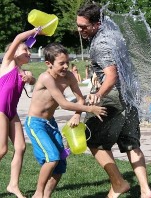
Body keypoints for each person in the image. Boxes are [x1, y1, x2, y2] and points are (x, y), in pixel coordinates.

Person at [77, 4, 151, 198]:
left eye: (84, 26)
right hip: (130, 94)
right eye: (78, 25)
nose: (79, 30)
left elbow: (111, 76)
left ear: (96, 24)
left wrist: (99, 94)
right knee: (131, 144)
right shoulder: (111, 29)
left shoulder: (101, 44)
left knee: (92, 139)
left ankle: (119, 183)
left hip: (112, 96)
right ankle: (146, 191)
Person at [24, 42, 107, 198]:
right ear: (49, 64)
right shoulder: (46, 77)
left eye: (67, 62)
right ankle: (38, 193)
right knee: (52, 158)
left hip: (51, 123)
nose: (65, 66)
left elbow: (79, 99)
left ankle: (45, 196)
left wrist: (77, 114)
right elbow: (63, 103)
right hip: (36, 123)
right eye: (61, 63)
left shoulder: (69, 76)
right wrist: (90, 109)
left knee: (60, 164)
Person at [0, 29, 38, 198]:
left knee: (21, 147)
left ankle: (13, 185)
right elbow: (17, 38)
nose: (29, 52)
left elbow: (35, 81)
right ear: (14, 53)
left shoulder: (24, 73)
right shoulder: (7, 64)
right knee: (2, 150)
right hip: (0, 110)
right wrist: (35, 31)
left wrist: (31, 79)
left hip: (11, 112)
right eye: (26, 50)